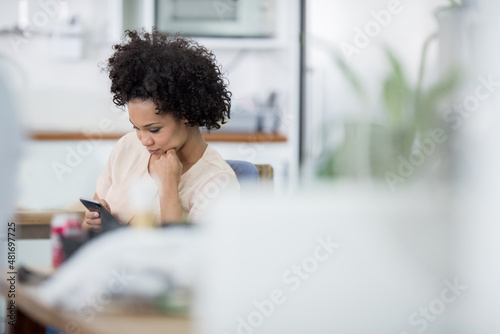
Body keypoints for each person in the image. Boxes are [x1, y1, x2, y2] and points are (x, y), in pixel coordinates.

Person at [83, 29, 240, 230]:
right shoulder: (127, 147)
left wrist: (168, 187)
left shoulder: (218, 182)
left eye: (154, 130)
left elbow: (188, 258)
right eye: (137, 128)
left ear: (187, 114)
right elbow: (85, 232)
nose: (143, 140)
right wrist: (91, 223)